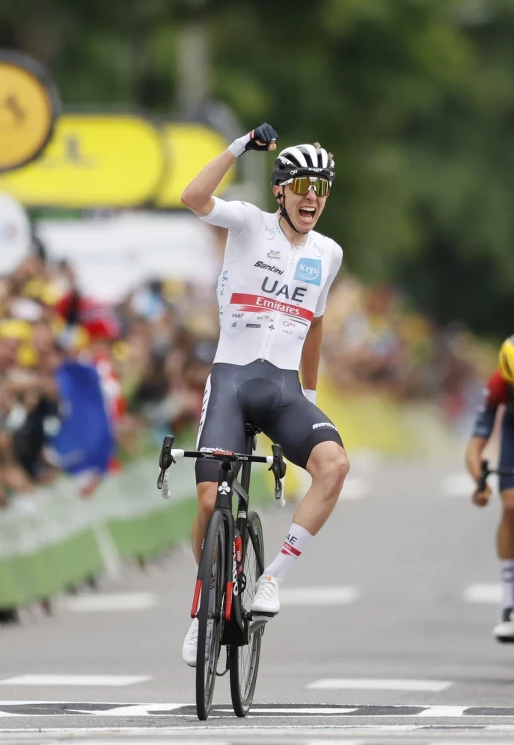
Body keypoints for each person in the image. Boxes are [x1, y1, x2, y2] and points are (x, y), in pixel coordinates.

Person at [179, 123, 349, 667]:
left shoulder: (328, 253)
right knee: (209, 501)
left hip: (282, 389)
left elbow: (316, 326)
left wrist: (311, 392)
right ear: (281, 191)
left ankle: (272, 578)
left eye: (321, 190)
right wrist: (238, 146)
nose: (311, 199)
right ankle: (205, 604)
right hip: (232, 379)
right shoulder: (249, 224)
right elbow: (192, 197)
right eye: (302, 187)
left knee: (335, 465)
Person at [465, 332, 514, 643]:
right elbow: (474, 448)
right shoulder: (498, 384)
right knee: (512, 505)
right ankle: (509, 601)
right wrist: (480, 483)